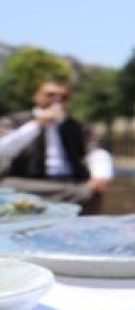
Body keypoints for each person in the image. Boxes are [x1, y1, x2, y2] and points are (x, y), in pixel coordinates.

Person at [0, 77, 113, 214]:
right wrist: (37, 125)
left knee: (89, 192)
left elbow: (95, 151)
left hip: (67, 183)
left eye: (63, 97)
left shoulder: (77, 126)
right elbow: (4, 149)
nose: (56, 100)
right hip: (25, 181)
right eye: (50, 95)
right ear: (36, 96)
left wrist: (101, 175)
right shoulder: (16, 120)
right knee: (8, 189)